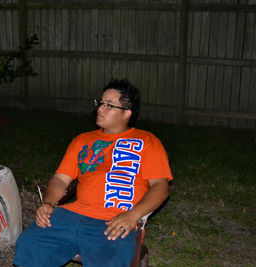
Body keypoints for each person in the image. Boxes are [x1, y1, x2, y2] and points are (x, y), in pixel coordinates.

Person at [13, 79, 173, 267]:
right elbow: (60, 179)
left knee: (111, 258)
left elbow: (161, 187)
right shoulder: (82, 141)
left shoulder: (147, 142)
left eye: (109, 105)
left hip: (113, 220)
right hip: (71, 215)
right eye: (100, 103)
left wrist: (133, 215)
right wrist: (48, 203)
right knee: (30, 244)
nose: (100, 109)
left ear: (126, 114)